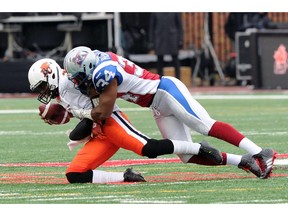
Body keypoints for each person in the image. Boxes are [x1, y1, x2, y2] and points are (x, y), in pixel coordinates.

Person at [28, 58, 263, 182]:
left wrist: (74, 123)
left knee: (150, 147)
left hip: (111, 118)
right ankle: (125, 176)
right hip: (105, 125)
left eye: (41, 85)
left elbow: (98, 113)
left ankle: (245, 151)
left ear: (52, 74)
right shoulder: (63, 90)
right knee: (74, 175)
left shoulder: (75, 83)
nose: (42, 91)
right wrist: (63, 118)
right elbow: (84, 118)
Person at [149, 12, 183, 79]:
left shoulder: (175, 12)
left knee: (175, 60)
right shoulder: (155, 12)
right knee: (159, 61)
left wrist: (180, 40)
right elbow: (152, 27)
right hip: (159, 39)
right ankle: (160, 80)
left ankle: (178, 79)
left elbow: (179, 26)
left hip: (172, 39)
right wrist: (151, 41)